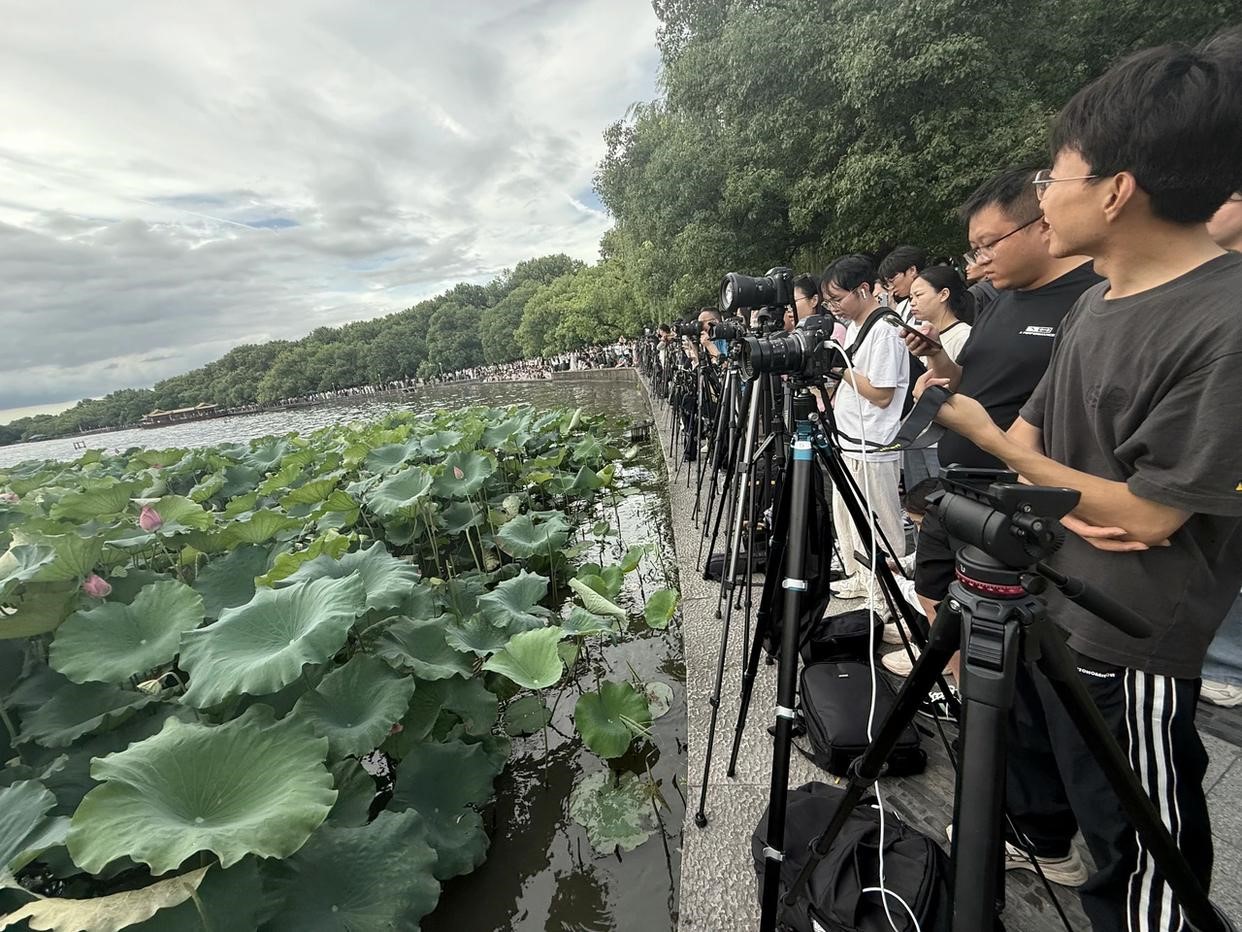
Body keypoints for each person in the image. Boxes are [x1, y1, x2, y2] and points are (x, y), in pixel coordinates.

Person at [924, 32, 1242, 931]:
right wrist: (1056, 482)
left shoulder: (1225, 321)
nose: (1043, 197)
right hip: (1060, 600)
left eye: (1055, 177)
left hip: (1133, 633)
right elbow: (1041, 442)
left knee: (1144, 847)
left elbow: (1143, 515)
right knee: (1098, 817)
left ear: (1116, 189)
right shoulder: (1099, 300)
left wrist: (1007, 449)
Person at [892, 167, 1102, 678]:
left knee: (1005, 624)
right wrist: (940, 365)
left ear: (1043, 224)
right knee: (933, 584)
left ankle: (989, 692)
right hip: (959, 487)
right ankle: (957, 677)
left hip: (1017, 501)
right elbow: (978, 381)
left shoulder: (1091, 298)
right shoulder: (1005, 297)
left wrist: (993, 441)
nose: (979, 263)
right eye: (974, 250)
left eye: (988, 246)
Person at [821, 254, 909, 602]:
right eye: (829, 302)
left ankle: (892, 598)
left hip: (874, 444)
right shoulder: (858, 325)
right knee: (849, 519)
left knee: (881, 526)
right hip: (850, 440)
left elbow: (882, 394)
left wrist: (838, 368)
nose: (834, 308)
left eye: (838, 299)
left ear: (863, 289)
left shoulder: (885, 330)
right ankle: (861, 578)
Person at [878, 245, 929, 323]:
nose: (891, 287)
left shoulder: (934, 301)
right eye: (887, 284)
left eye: (892, 280)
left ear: (912, 270)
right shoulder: (901, 307)